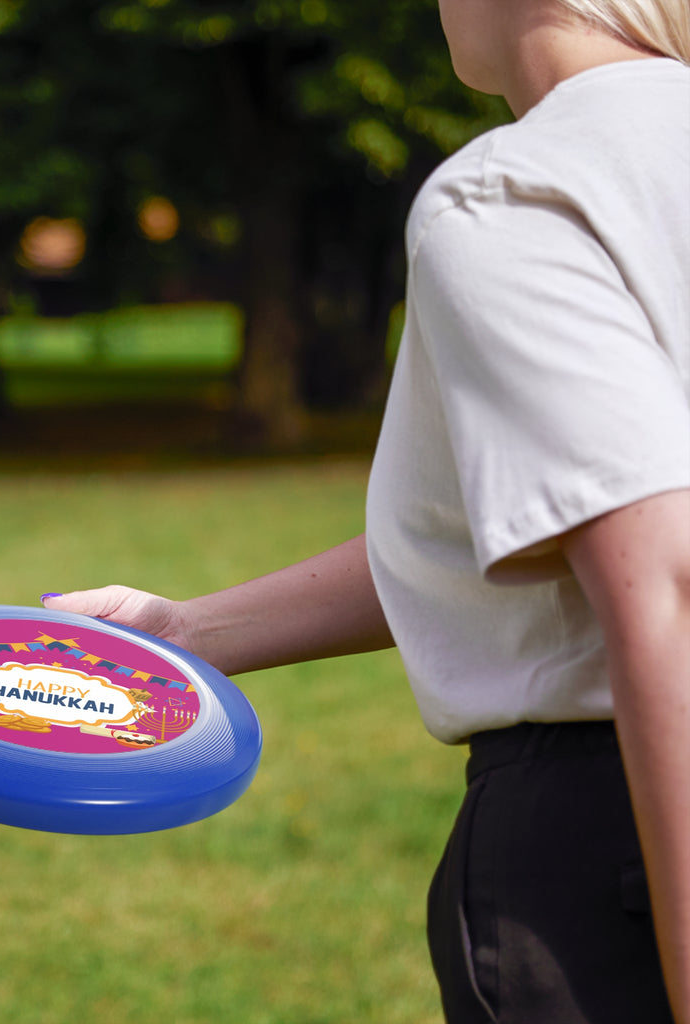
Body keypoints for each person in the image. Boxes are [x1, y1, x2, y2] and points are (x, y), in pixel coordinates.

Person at [41, 1, 690, 1020]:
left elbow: (665, 582)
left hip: (618, 843)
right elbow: (538, 521)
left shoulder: (518, 191)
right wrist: (189, 631)